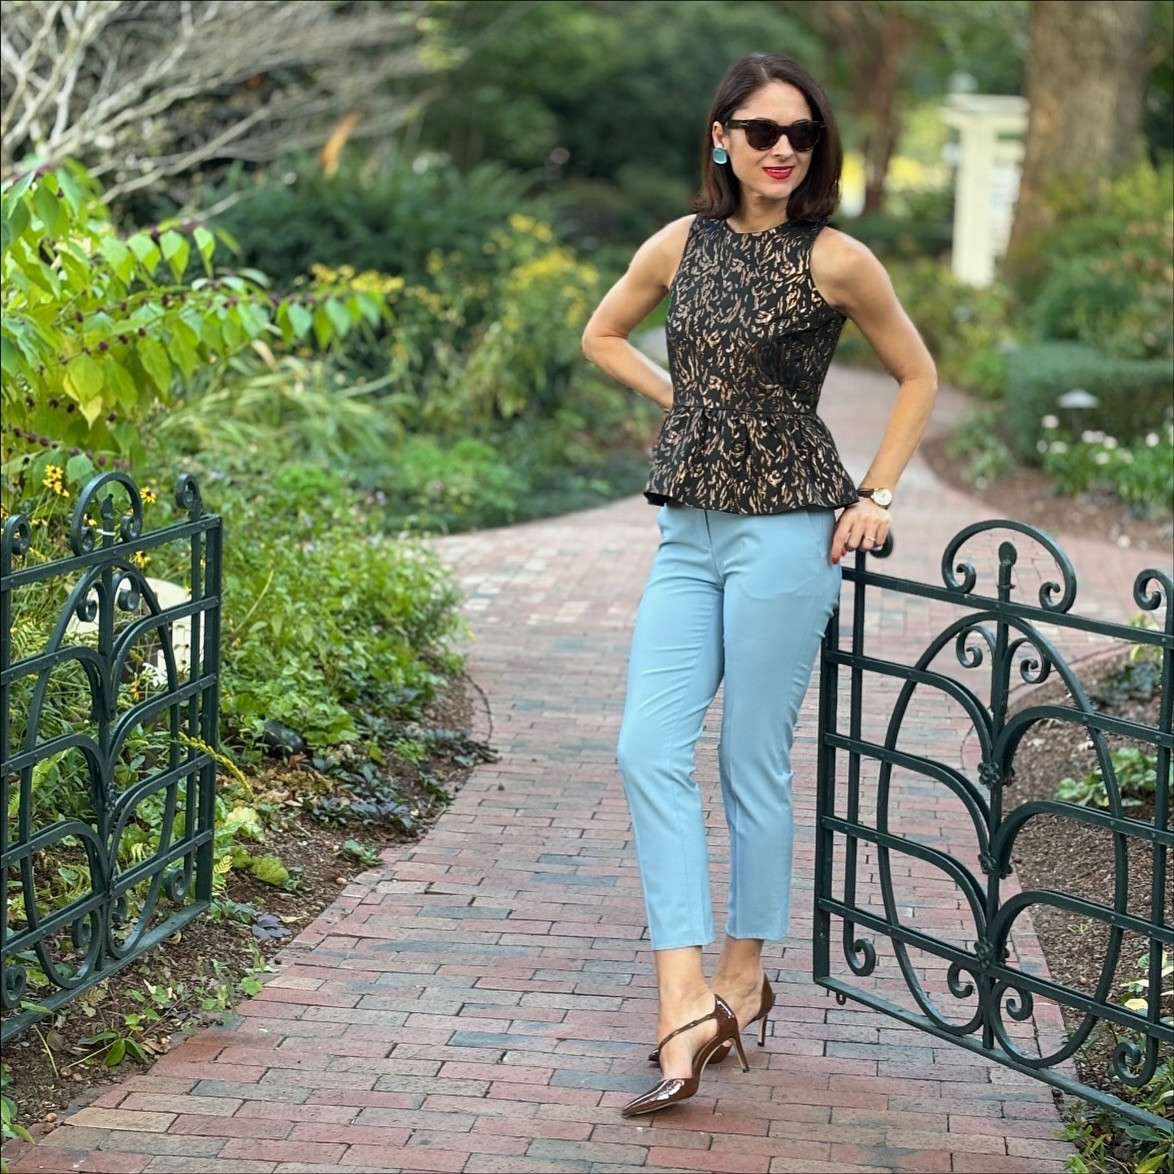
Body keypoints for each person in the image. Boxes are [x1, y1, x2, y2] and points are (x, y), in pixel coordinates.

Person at [580, 52, 937, 1118]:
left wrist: (876, 489)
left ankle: (739, 977)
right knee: (646, 742)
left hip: (788, 531)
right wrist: (680, 397)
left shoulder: (836, 259)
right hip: (687, 533)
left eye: (803, 134)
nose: (784, 149)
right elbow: (602, 333)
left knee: (748, 757)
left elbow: (919, 374)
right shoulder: (676, 245)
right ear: (720, 138)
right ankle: (679, 993)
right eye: (763, 130)